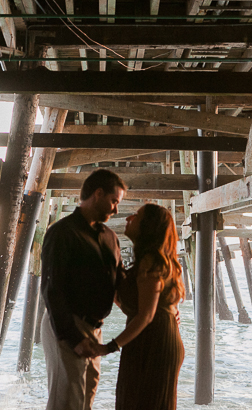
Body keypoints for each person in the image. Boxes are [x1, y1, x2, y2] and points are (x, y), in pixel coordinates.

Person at [40, 169, 127, 410]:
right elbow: (51, 289)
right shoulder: (62, 233)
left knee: (86, 397)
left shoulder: (110, 237)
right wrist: (73, 337)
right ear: (98, 194)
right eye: (114, 201)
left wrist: (160, 307)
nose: (116, 209)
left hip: (95, 327)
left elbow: (120, 280)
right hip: (67, 325)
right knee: (67, 400)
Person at [92, 203, 185, 410]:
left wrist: (109, 346)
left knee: (139, 401)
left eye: (137, 216)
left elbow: (145, 316)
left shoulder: (150, 261)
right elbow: (136, 306)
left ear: (148, 227)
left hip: (153, 342)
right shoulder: (152, 260)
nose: (128, 218)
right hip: (153, 338)